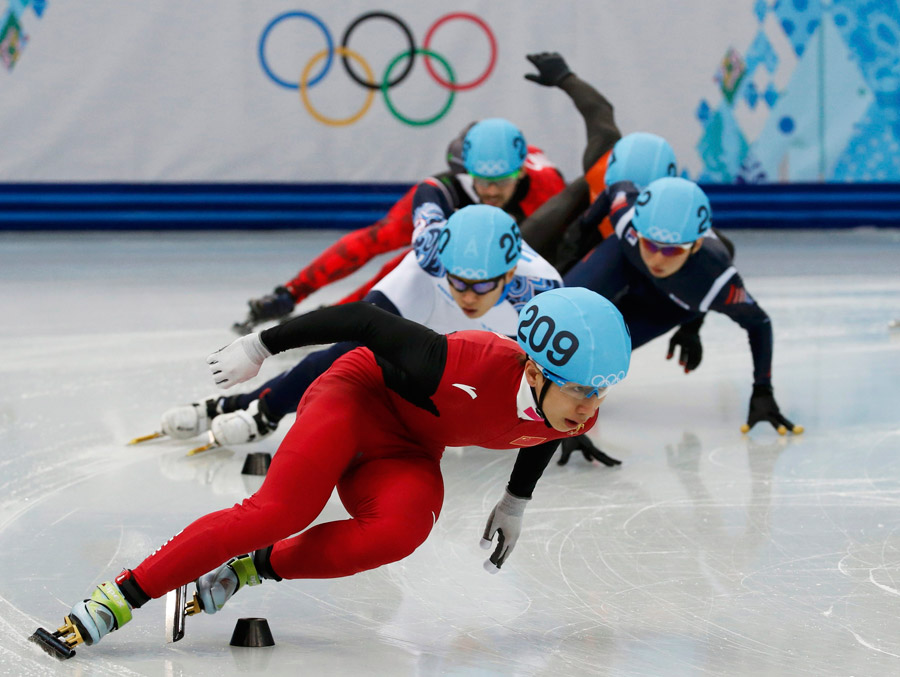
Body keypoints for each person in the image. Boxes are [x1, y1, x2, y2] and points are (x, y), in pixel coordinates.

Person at [31, 286, 632, 658]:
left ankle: (251, 568)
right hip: (354, 397)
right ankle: (118, 597)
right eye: (582, 390)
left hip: (409, 448)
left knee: (401, 531)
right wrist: (262, 346)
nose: (590, 408)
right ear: (534, 372)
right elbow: (365, 321)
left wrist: (516, 501)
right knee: (281, 511)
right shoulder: (456, 362)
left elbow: (545, 434)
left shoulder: (572, 408)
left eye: (602, 391)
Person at [157, 204, 562, 448]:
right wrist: (258, 347)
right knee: (346, 354)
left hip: (481, 340)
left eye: (483, 285)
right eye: (460, 281)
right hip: (425, 299)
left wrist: (559, 429)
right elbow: (348, 325)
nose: (469, 296)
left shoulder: (542, 293)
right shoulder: (428, 259)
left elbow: (553, 377)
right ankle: (252, 408)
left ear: (511, 275)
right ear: (444, 265)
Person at [237, 115, 567, 333]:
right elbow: (377, 242)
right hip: (457, 196)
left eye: (502, 181)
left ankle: (339, 312)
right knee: (386, 238)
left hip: (497, 221)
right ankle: (288, 293)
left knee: (408, 267)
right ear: (466, 169)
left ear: (521, 173)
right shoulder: (458, 178)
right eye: (483, 181)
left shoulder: (549, 188)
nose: (492, 191)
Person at [563, 176, 803, 436]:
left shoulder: (718, 282)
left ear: (696, 245)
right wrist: (581, 230)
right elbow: (617, 187)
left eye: (672, 251)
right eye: (650, 244)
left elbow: (760, 323)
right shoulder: (628, 221)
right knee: (561, 307)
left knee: (597, 355)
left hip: (666, 304)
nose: (657, 259)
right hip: (626, 260)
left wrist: (763, 389)